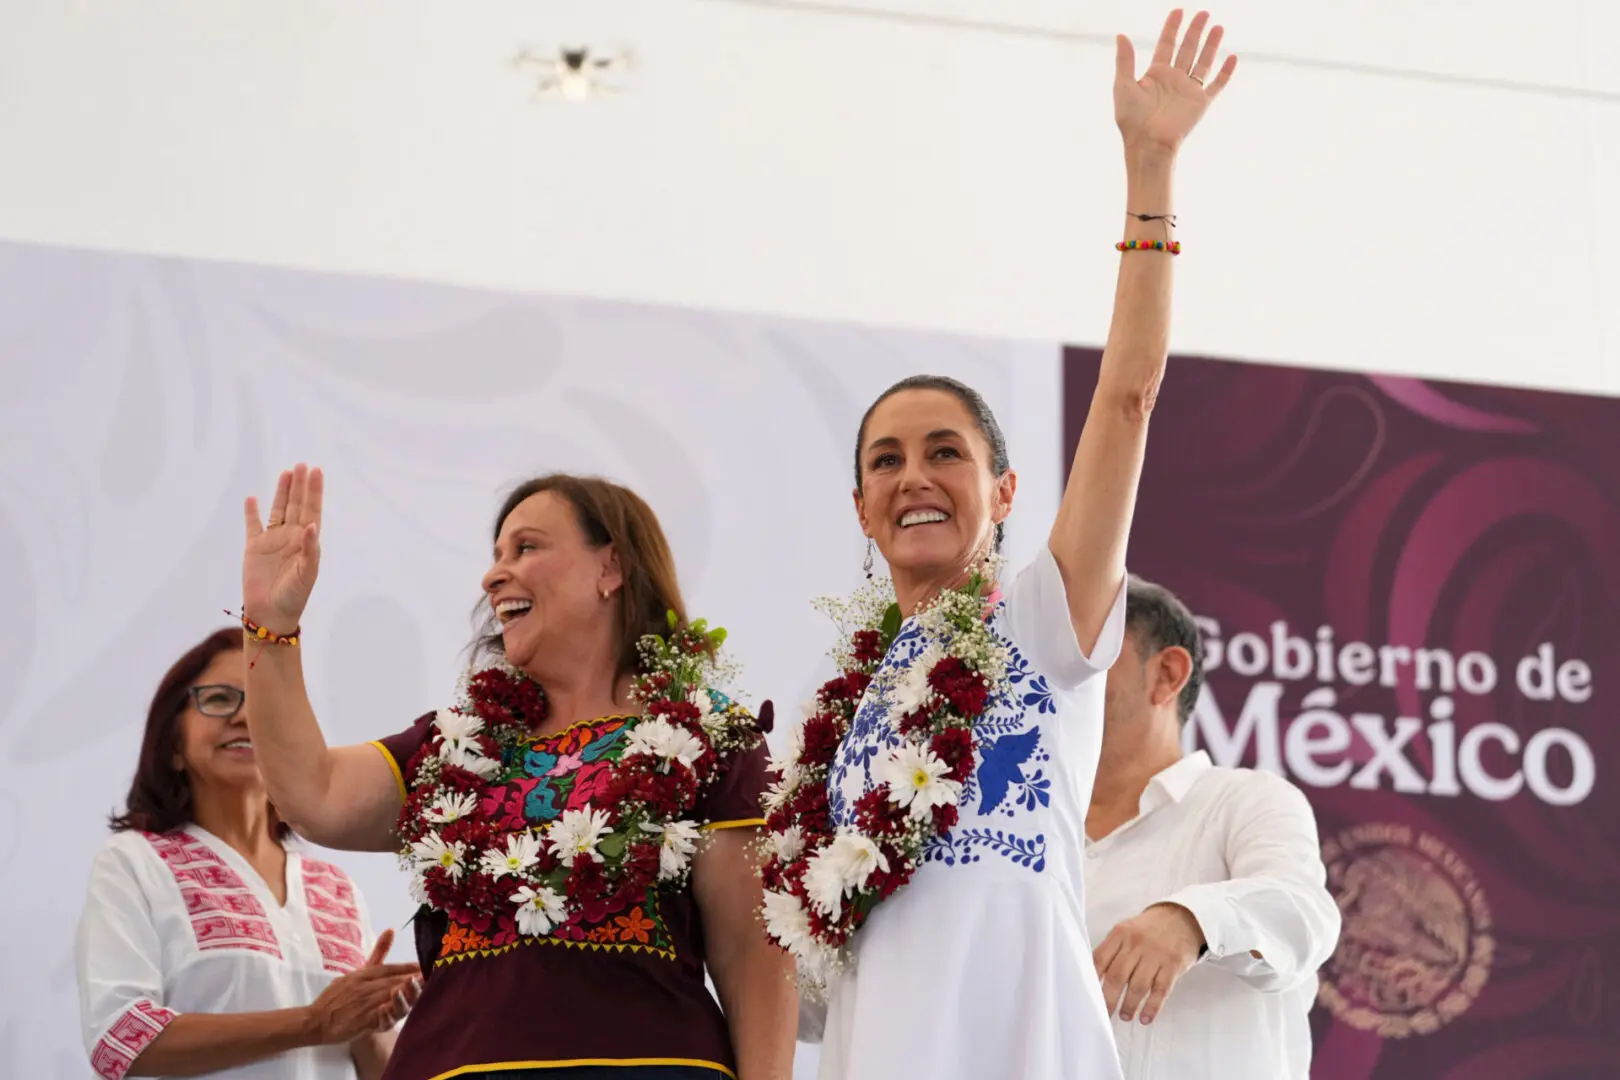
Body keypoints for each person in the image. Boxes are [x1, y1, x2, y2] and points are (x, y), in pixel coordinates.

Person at [758, 10, 1239, 1079]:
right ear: (860, 505)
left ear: (1005, 488)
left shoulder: (1042, 615)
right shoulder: (850, 694)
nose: (913, 477)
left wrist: (1150, 171)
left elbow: (1127, 397)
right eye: (885, 461)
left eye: (945, 452)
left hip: (1024, 1030)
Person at [237, 466, 797, 1080]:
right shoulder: (453, 744)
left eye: (526, 547)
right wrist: (272, 625)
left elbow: (755, 963)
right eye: (496, 554)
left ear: (610, 567)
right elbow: (311, 794)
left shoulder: (707, 735)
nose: (493, 574)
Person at [75, 628, 418, 1080]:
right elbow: (120, 1039)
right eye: (219, 699)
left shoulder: (335, 887)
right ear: (174, 745)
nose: (244, 718)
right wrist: (314, 1022)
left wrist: (367, 1023)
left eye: (261, 703)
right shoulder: (135, 864)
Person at [1086, 578, 1340, 1078]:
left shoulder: (1245, 799)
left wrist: (1191, 920)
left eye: (1089, 652)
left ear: (1166, 674)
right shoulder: (1027, 832)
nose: (1061, 676)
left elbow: (1304, 913)